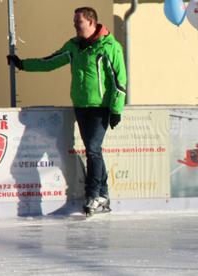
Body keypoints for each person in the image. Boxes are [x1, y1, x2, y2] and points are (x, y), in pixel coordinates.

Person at [7, 7, 127, 215]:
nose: (74, 25)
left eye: (78, 22)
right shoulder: (73, 46)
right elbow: (50, 62)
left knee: (92, 149)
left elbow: (120, 81)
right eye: (74, 21)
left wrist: (116, 110)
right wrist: (23, 64)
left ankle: (92, 196)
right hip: (81, 106)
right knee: (94, 151)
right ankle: (103, 196)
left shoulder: (109, 47)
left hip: (101, 108)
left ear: (91, 22)